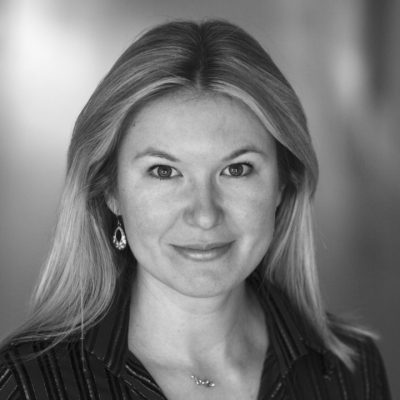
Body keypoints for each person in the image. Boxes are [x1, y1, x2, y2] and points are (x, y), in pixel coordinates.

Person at [0, 19, 391, 400]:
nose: (204, 215)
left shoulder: (350, 371)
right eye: (164, 171)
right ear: (110, 190)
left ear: (282, 184)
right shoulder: (27, 385)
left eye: (236, 169)